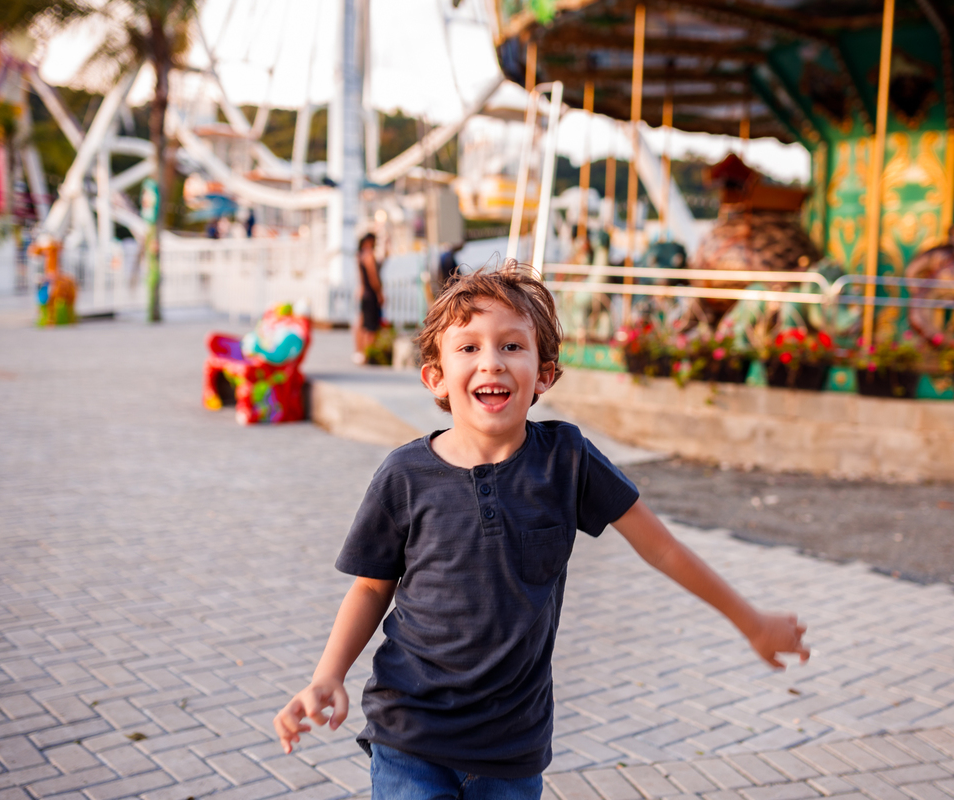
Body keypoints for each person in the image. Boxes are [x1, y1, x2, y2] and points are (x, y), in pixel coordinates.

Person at [274, 262, 809, 797]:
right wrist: (327, 675)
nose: (492, 362)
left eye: (511, 346)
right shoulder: (404, 475)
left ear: (544, 374)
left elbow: (663, 549)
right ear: (435, 377)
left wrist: (751, 621)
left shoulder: (567, 460)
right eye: (469, 348)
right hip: (409, 733)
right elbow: (371, 588)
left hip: (512, 749)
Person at [353, 232, 385, 364]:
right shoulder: (369, 255)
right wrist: (379, 292)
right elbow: (373, 277)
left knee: (362, 323)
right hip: (371, 293)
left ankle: (360, 352)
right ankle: (368, 353)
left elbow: (362, 278)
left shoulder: (360, 255)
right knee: (371, 326)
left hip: (364, 292)